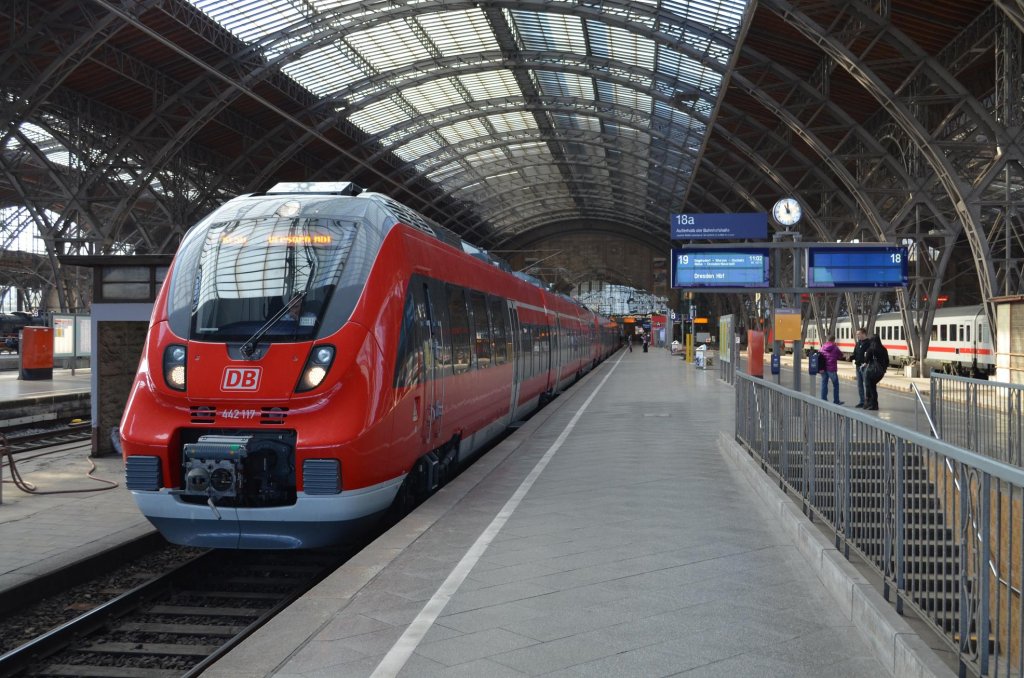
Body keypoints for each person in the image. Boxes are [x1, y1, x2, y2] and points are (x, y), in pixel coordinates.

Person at [863, 334, 889, 410]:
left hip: (872, 372)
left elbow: (866, 360)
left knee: (871, 387)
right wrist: (883, 369)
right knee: (872, 386)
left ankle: (872, 404)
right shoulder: (884, 349)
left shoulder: (871, 349)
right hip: (880, 372)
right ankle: (872, 404)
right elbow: (887, 361)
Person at [819, 334, 844, 404]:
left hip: (823, 368)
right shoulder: (835, 347)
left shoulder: (822, 347)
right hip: (832, 369)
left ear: (827, 340)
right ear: (834, 340)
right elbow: (841, 355)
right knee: (836, 385)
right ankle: (836, 401)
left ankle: (823, 399)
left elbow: (819, 356)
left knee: (824, 383)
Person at [852, 327, 871, 408]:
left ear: (863, 334)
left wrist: (867, 363)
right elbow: (855, 353)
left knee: (867, 385)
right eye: (857, 334)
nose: (857, 336)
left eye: (858, 334)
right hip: (858, 366)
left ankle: (869, 402)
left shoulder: (869, 343)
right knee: (859, 385)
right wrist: (850, 357)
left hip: (865, 367)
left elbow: (871, 355)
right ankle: (862, 401)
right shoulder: (858, 343)